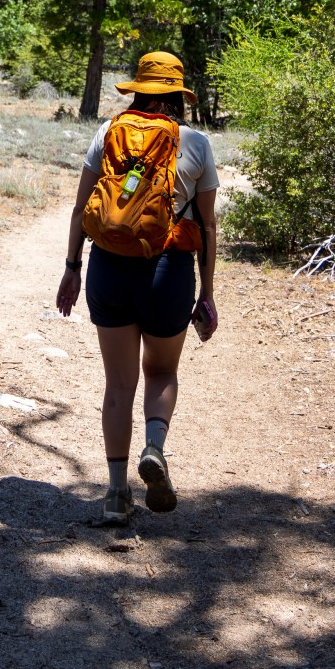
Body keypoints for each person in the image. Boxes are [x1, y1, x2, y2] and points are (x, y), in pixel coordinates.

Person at [56, 52, 219, 525]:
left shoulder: (109, 133)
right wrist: (207, 294)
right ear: (177, 97)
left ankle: (113, 493)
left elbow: (80, 208)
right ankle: (154, 448)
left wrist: (71, 267)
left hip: (108, 267)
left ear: (137, 92)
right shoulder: (196, 143)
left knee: (118, 384)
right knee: (161, 373)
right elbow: (207, 227)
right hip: (167, 272)